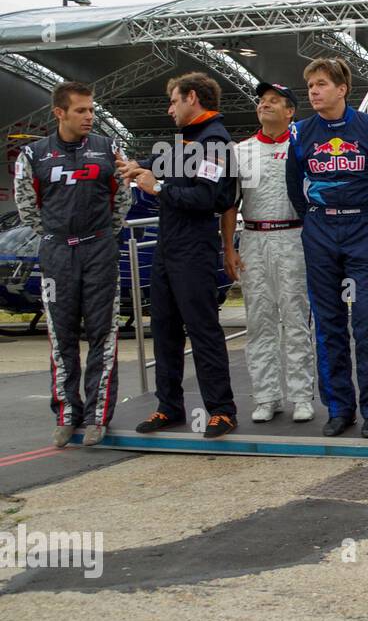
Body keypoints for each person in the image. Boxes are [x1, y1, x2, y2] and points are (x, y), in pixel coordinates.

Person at [118, 72, 239, 438]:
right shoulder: (185, 141)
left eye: (173, 101)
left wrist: (158, 188)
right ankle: (168, 406)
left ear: (191, 98)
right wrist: (138, 168)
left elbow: (207, 199)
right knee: (165, 329)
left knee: (202, 329)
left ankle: (221, 409)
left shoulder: (214, 141)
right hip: (168, 248)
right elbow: (163, 166)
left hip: (194, 248)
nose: (169, 109)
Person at [286, 57, 368, 438]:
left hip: (362, 228)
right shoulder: (299, 132)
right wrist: (317, 217)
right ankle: (338, 408)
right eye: (310, 86)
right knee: (327, 322)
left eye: (321, 84)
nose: (314, 91)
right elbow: (294, 187)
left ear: (342, 88)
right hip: (319, 228)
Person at [13, 81, 131, 447]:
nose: (89, 117)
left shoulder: (108, 148)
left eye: (92, 110)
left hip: (99, 250)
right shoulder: (33, 155)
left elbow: (122, 199)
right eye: (81, 110)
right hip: (57, 254)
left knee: (103, 334)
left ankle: (97, 416)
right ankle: (67, 413)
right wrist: (56, 236)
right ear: (59, 113)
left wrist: (100, 236)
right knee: (61, 335)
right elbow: (27, 207)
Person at [221, 82, 315, 424]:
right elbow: (230, 204)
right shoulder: (240, 150)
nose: (265, 105)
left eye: (274, 101)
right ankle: (266, 396)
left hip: (293, 236)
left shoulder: (302, 146)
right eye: (262, 101)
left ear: (290, 111)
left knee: (295, 320)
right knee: (259, 322)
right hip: (254, 238)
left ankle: (302, 396)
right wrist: (229, 247)